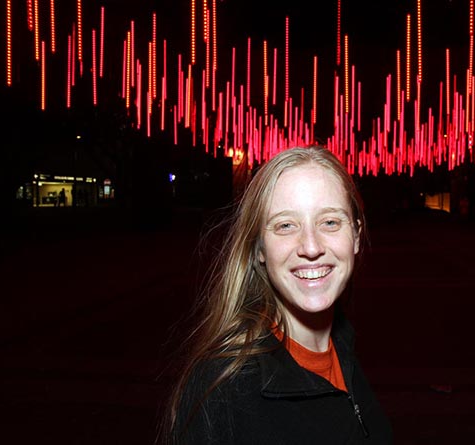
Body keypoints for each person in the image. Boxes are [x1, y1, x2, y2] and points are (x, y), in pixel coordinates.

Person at [164, 146, 392, 444]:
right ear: (259, 249)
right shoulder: (223, 390)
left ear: (356, 237)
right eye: (286, 225)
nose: (311, 247)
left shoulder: (343, 345)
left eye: (330, 222)